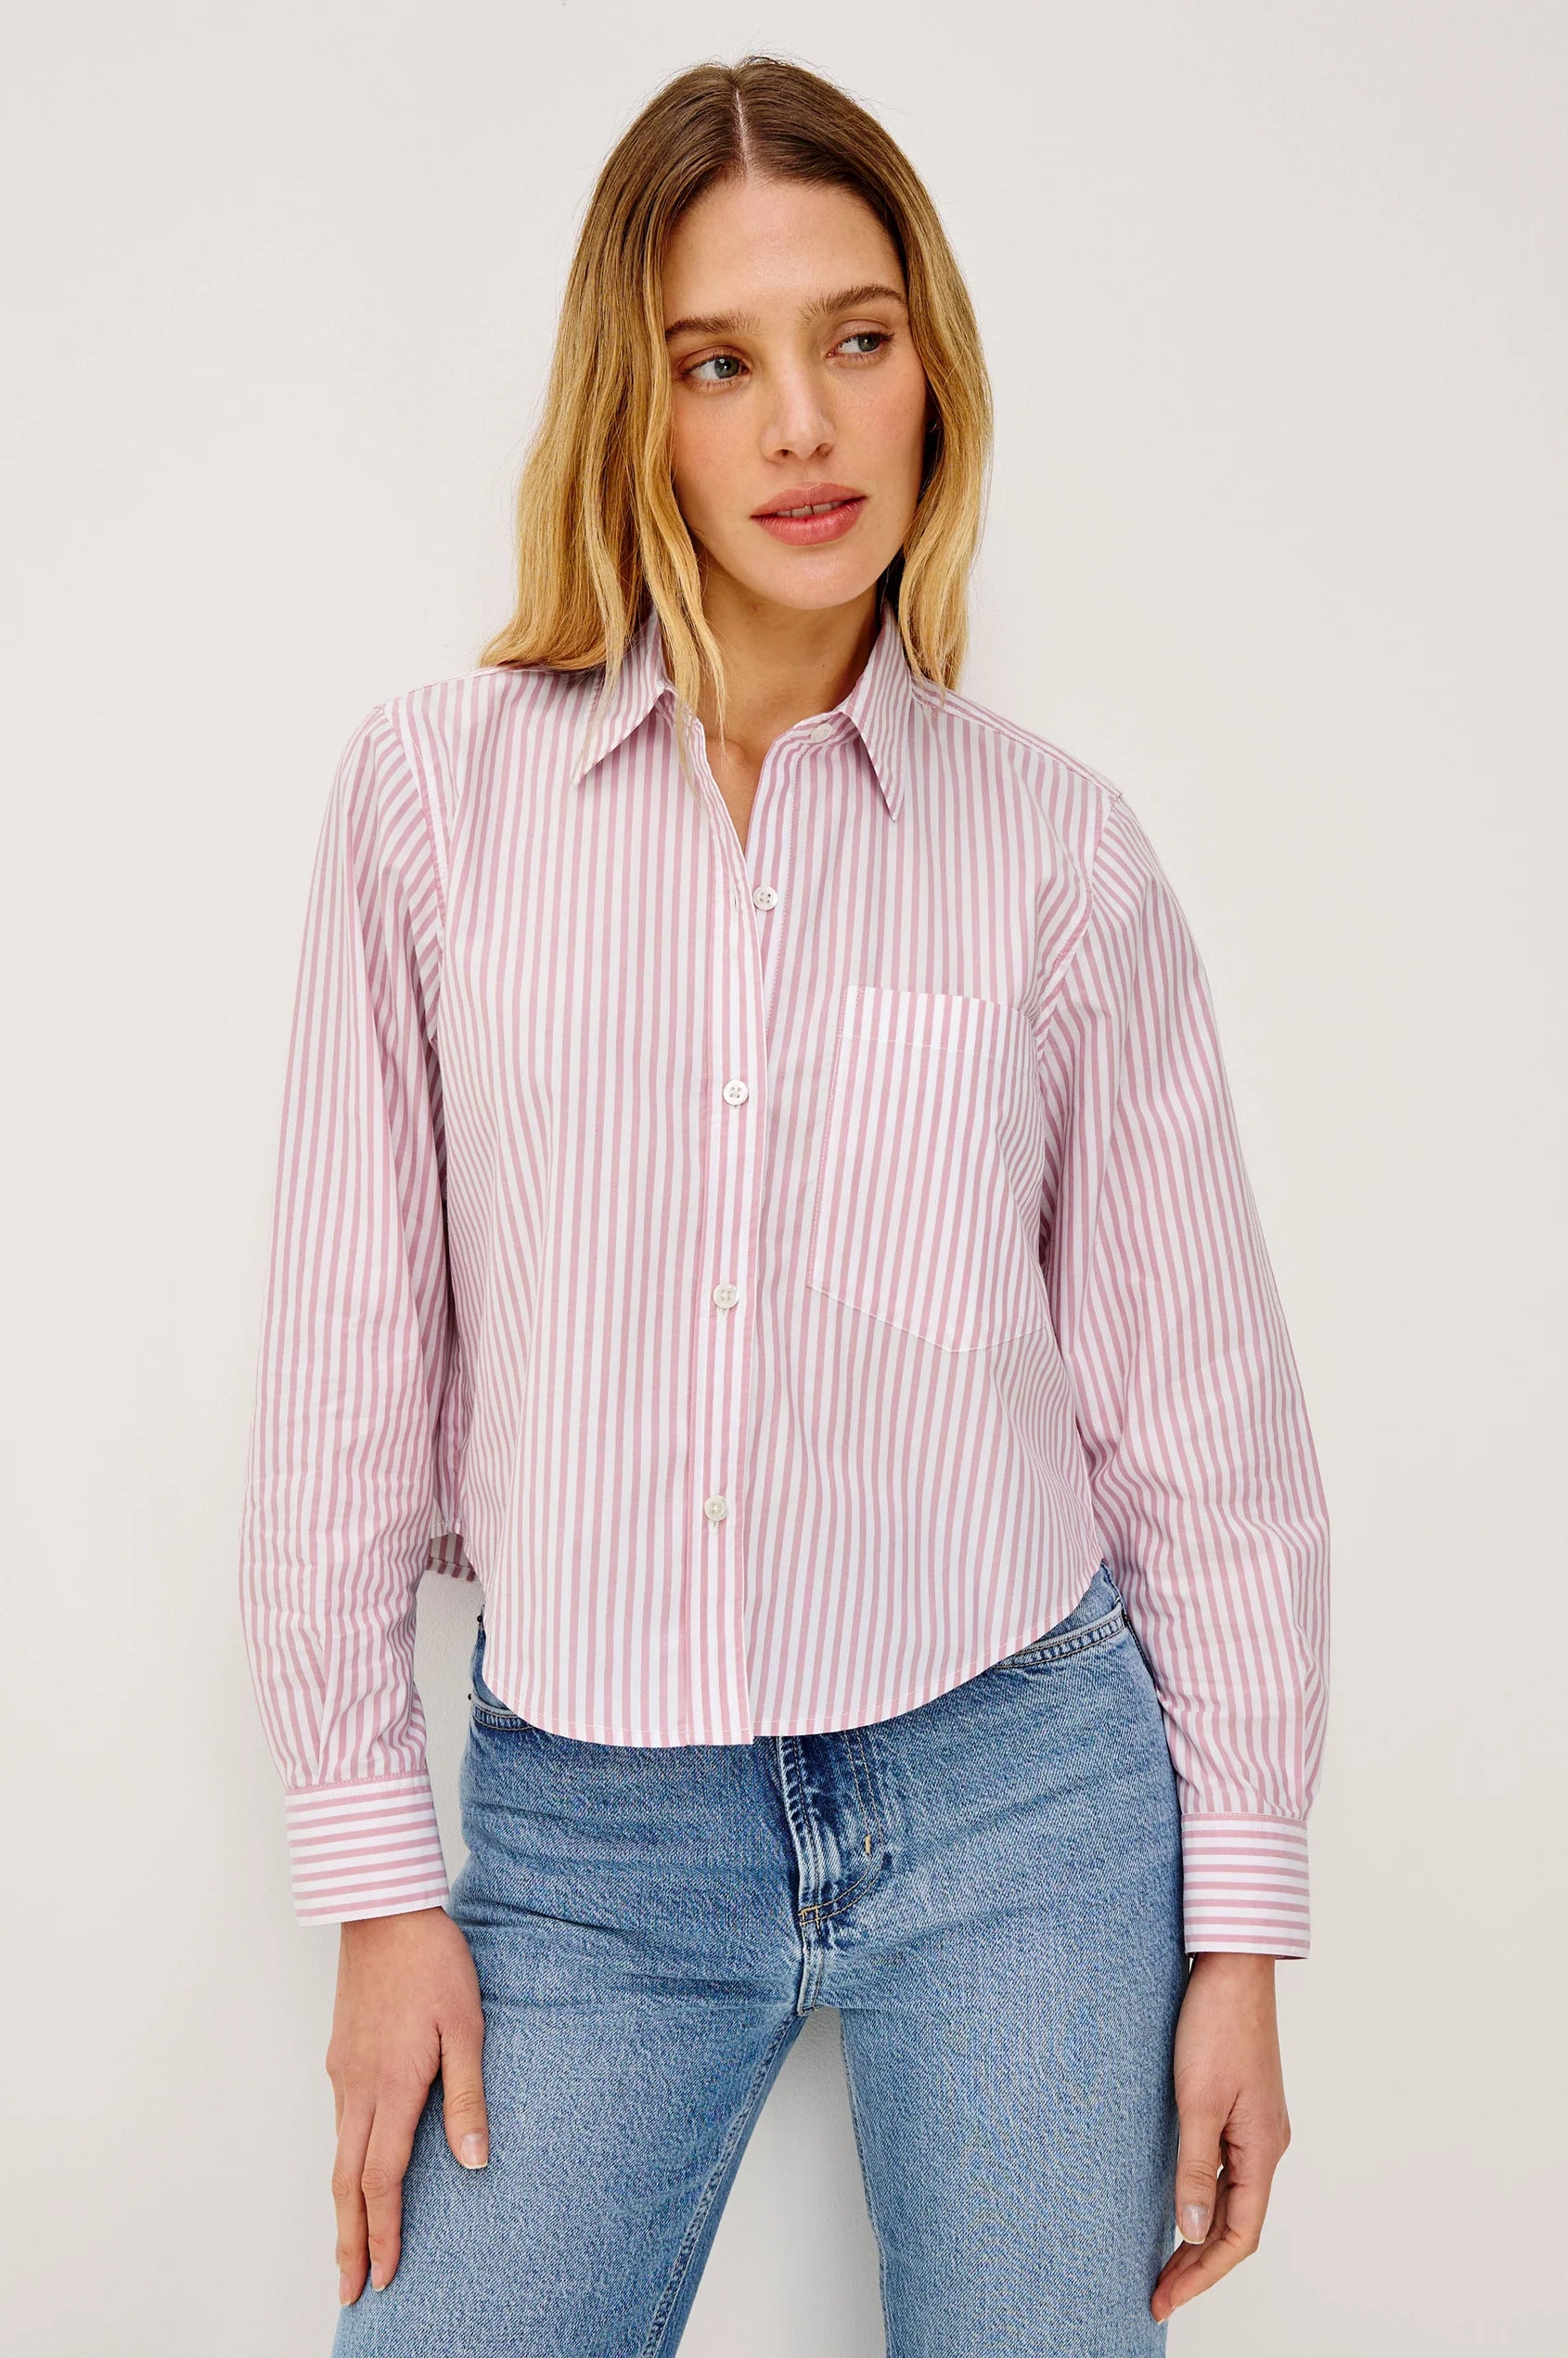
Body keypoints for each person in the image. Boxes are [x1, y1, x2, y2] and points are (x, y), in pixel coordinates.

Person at [238, 52, 1330, 2357]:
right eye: (717, 364)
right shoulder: (435, 805)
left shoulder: (1058, 853)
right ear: (633, 406)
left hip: (1020, 1790)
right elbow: (351, 1352)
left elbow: (1196, 1421)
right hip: (587, 1832)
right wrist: (371, 1876)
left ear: (930, 360)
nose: (800, 428)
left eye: (853, 337)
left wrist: (1231, 1925)